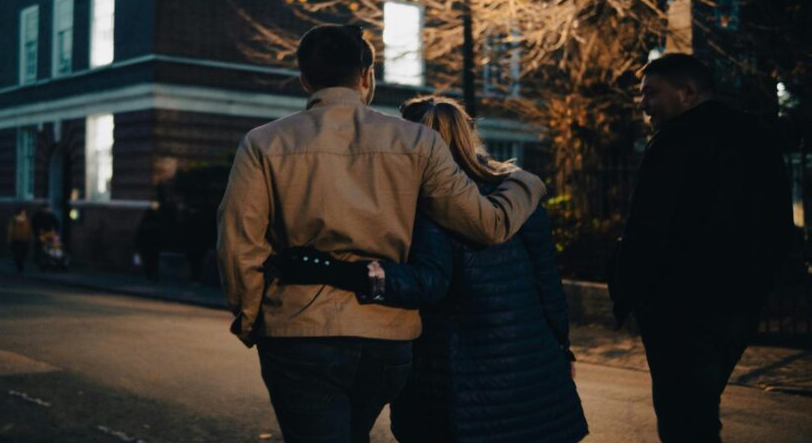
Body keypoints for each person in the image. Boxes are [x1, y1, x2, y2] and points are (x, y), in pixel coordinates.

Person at [217, 25, 547, 443]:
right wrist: (525, 183)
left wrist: (252, 319)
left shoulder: (264, 143)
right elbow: (487, 224)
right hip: (387, 338)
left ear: (305, 79)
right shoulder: (417, 142)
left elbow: (238, 244)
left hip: (299, 332)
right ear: (367, 75)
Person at [272, 96, 589, 443]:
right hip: (534, 367)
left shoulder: (426, 203)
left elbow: (428, 283)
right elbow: (549, 287)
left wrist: (336, 270)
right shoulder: (517, 195)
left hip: (455, 377)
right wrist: (562, 347)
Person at [609, 54, 792, 443]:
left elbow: (648, 226)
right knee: (700, 408)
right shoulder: (757, 138)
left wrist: (628, 291)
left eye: (651, 94)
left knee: (685, 419)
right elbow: (778, 222)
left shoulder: (674, 141)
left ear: (688, 93)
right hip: (740, 301)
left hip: (680, 306)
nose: (643, 105)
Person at [7, 208, 33, 273]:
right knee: (18, 253)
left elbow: (29, 229)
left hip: (25, 239)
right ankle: (20, 267)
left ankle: (20, 264)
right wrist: (10, 239)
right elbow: (10, 229)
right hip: (16, 239)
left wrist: (30, 237)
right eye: (22, 212)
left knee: (24, 253)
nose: (23, 214)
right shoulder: (14, 220)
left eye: (24, 212)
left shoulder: (27, 220)